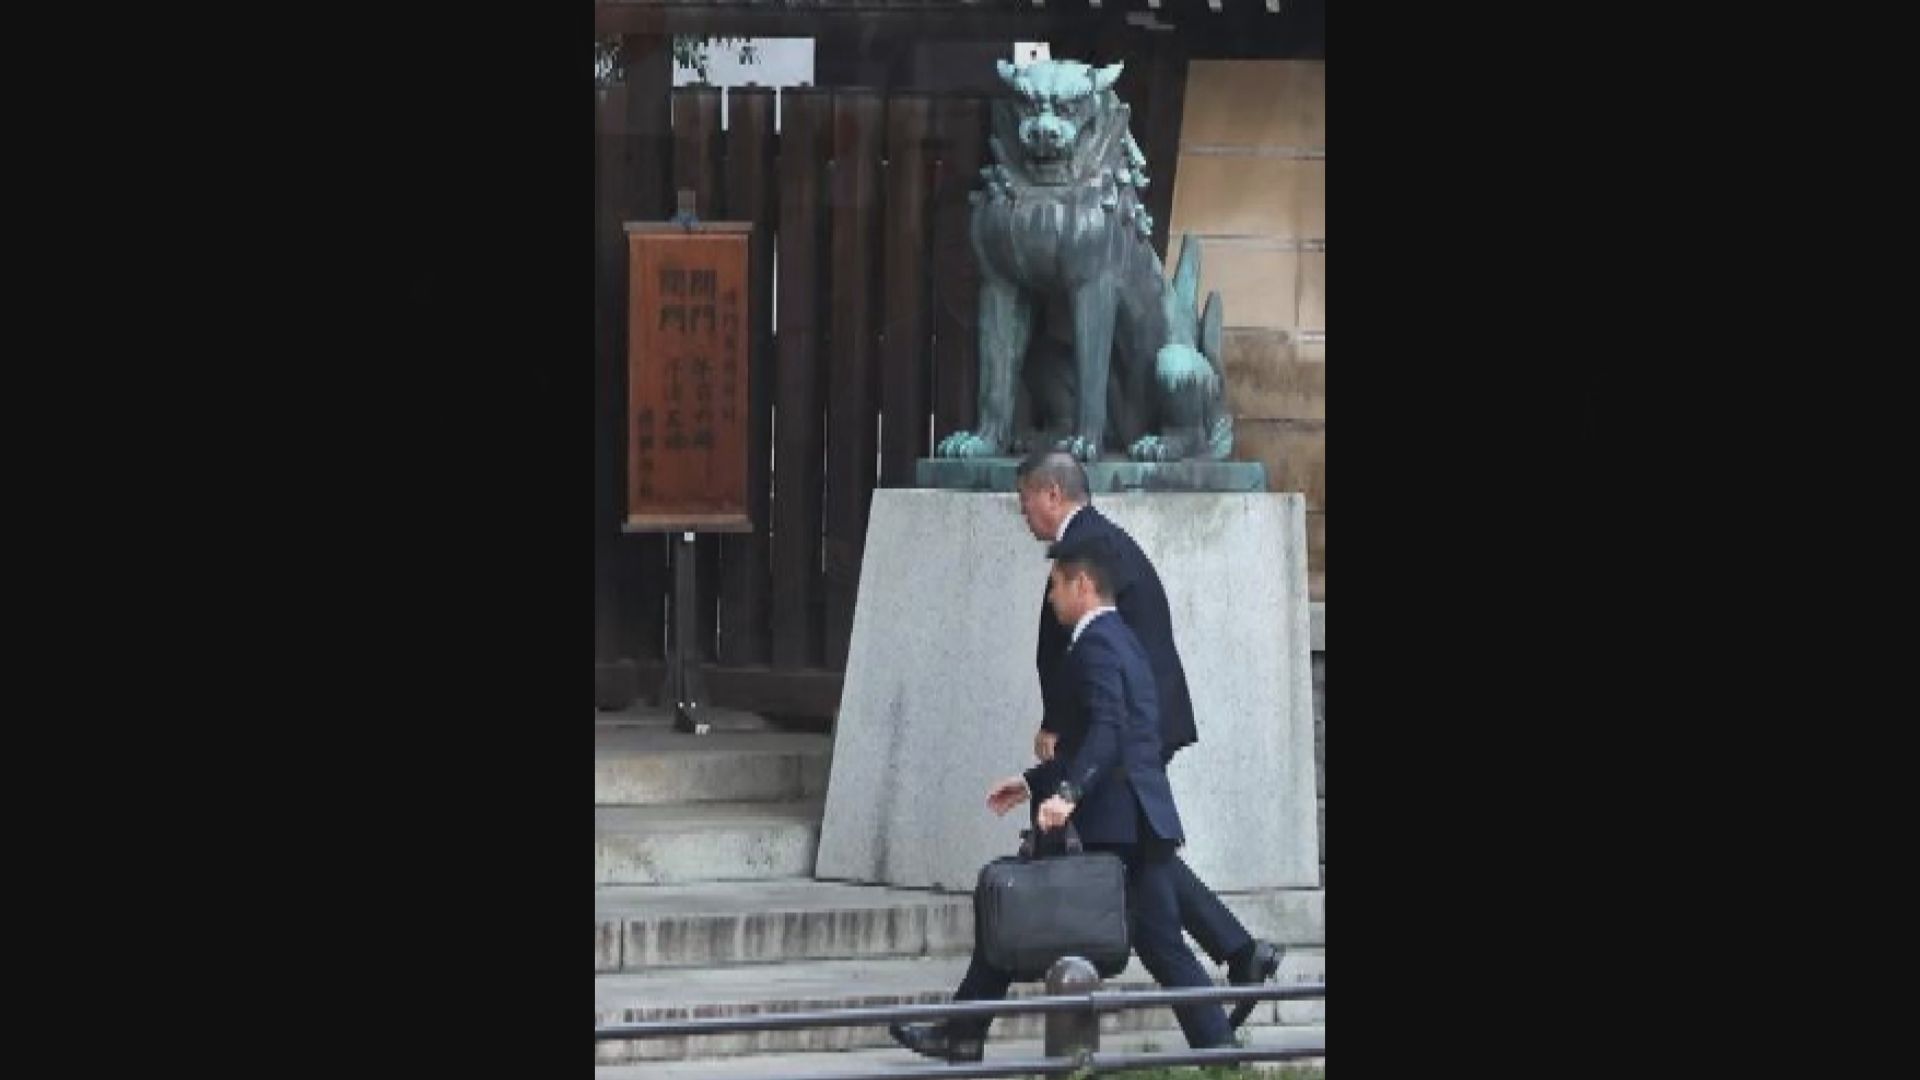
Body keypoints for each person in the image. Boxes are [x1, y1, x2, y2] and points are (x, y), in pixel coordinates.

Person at [889, 536, 1233, 1062]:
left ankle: (961, 1034)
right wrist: (1033, 782)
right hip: (1140, 818)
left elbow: (1108, 730)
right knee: (1162, 945)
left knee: (1015, 908)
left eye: (1055, 585)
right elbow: (1106, 734)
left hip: (1110, 823)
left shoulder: (1095, 644)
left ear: (1083, 585)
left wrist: (1067, 794)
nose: (1050, 599)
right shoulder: (1124, 641)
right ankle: (1221, 1052)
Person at [1016, 449, 1283, 1008]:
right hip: (1136, 722)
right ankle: (1238, 953)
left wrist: (1058, 726)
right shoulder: (1100, 535)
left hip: (1127, 728)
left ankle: (1233, 959)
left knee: (1141, 856)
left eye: (1025, 501)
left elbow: (1083, 650)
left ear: (1051, 495)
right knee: (1145, 853)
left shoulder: (1088, 545)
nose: (1024, 515)